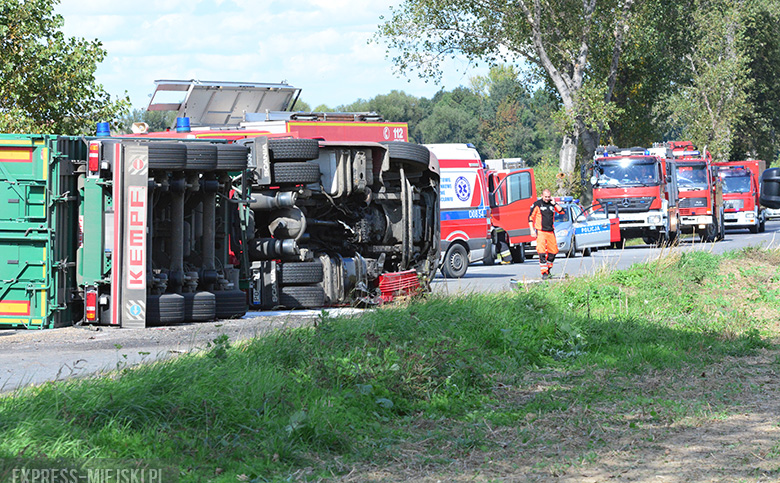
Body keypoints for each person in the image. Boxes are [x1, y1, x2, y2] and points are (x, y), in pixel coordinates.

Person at [529, 189, 564, 279]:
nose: (547, 198)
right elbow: (530, 218)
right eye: (545, 197)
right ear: (542, 196)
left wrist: (554, 203)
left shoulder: (552, 204)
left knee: (553, 251)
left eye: (548, 197)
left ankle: (548, 269)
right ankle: (544, 272)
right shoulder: (537, 204)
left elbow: (562, 211)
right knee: (541, 251)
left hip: (550, 231)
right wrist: (532, 230)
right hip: (541, 231)